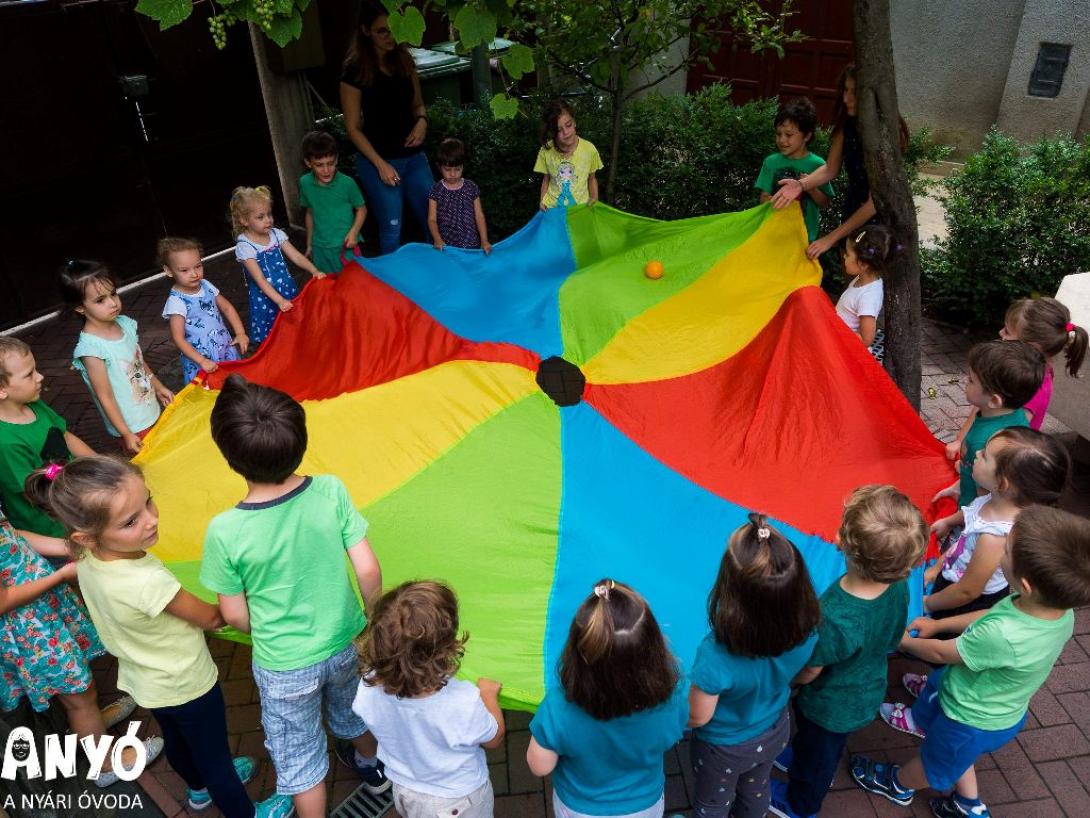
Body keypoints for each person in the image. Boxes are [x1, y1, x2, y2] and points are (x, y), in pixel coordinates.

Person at [25, 458, 291, 814]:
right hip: (186, 681)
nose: (151, 519)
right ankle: (244, 811)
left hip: (146, 679)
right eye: (131, 521)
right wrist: (245, 594)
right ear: (85, 535)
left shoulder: (86, 556)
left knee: (179, 741)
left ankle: (198, 791)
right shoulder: (147, 581)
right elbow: (213, 617)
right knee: (216, 760)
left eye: (147, 501)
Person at [201, 374, 387, 818]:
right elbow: (368, 567)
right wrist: (370, 616)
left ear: (229, 457)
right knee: (353, 708)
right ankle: (374, 767)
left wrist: (264, 628)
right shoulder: (330, 490)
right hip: (346, 639)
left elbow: (234, 614)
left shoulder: (225, 532)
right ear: (300, 441)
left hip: (284, 664)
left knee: (301, 757)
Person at [852, 506, 1090, 818]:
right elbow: (996, 613)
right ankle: (967, 802)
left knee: (935, 761)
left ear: (1027, 584)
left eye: (1006, 551)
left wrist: (901, 639)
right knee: (956, 749)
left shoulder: (1004, 636)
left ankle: (897, 785)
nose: (1000, 553)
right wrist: (938, 626)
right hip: (982, 696)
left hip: (969, 717)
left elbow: (940, 654)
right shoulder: (1055, 611)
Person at [769, 485, 928, 818]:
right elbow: (893, 635)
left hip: (828, 704)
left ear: (843, 543)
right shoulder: (897, 585)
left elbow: (813, 668)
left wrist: (790, 683)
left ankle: (801, 804)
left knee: (820, 751)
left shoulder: (836, 615)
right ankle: (805, 760)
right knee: (820, 746)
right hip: (867, 685)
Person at [688, 514, 821, 818]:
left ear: (731, 594)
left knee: (713, 803)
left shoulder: (715, 655)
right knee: (756, 789)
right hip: (775, 729)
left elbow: (698, 716)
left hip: (723, 748)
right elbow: (803, 673)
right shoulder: (808, 632)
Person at [0, 498, 140, 784]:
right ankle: (106, 763)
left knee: (77, 688)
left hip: (40, 610)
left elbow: (10, 534)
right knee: (78, 690)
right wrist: (62, 574)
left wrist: (70, 548)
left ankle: (89, 725)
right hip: (25, 625)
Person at [526, 579, 688, 818]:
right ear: (652, 647)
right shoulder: (671, 701)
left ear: (577, 654)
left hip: (580, 808)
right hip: (644, 805)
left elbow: (540, 766)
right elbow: (672, 736)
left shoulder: (558, 708)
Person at [352, 581, 505, 818]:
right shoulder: (462, 701)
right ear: (445, 647)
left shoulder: (369, 684)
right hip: (460, 801)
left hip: (406, 790)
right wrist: (488, 695)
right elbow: (493, 738)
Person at [770, 63, 909, 259]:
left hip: (881, 221)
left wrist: (830, 238)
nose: (845, 99)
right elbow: (830, 169)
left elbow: (874, 203)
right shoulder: (846, 127)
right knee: (850, 266)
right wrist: (800, 185)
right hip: (853, 208)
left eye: (854, 92)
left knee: (868, 277)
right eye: (845, 89)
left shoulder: (887, 134)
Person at [340, 1, 432, 255]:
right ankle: (392, 287)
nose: (390, 36)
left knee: (434, 221)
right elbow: (352, 128)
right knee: (392, 228)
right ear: (365, 31)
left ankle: (438, 280)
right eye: (382, 31)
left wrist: (422, 122)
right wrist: (380, 164)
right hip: (378, 162)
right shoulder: (354, 70)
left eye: (393, 29)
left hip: (414, 159)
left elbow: (419, 106)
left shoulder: (404, 61)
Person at [944, 299, 1088, 459]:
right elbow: (983, 405)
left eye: (1007, 331)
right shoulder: (1017, 371)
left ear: (1031, 346)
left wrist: (972, 457)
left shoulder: (1030, 387)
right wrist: (960, 441)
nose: (1000, 333)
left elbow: (1007, 441)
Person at [62, 260, 173, 455]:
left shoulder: (124, 325)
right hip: (132, 426)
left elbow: (138, 361)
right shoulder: (92, 349)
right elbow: (105, 396)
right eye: (100, 300)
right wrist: (126, 433)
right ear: (80, 307)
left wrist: (158, 386)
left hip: (150, 410)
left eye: (113, 293)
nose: (113, 303)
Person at [0, 337, 94, 538]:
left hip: (76, 503)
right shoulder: (5, 443)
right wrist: (86, 491)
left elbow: (66, 438)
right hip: (53, 530)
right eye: (29, 375)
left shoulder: (35, 405)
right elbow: (35, 490)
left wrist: (103, 468)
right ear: (2, 390)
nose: (40, 377)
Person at [933, 341, 1045, 509]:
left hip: (970, 511)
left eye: (971, 380)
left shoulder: (985, 443)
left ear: (994, 400)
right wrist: (957, 486)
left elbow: (985, 502)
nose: (965, 380)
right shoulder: (1012, 414)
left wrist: (953, 520)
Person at [231, 185, 323, 349]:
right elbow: (259, 278)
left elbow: (295, 255)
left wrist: (314, 270)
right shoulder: (245, 246)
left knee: (294, 328)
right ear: (244, 220)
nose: (268, 220)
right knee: (273, 334)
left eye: (269, 214)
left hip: (287, 289)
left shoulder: (276, 234)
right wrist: (279, 300)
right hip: (265, 297)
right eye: (260, 217)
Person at [159, 237, 248, 384]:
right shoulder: (177, 301)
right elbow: (178, 338)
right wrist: (202, 361)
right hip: (201, 358)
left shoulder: (206, 285)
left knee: (233, 385)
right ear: (168, 271)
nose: (194, 274)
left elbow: (227, 307)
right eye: (185, 270)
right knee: (210, 392)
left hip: (223, 347)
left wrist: (240, 333)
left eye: (198, 266)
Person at [754, 97, 833, 242]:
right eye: (778, 134)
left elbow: (825, 202)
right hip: (774, 235)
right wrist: (770, 201)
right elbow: (763, 197)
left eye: (789, 135)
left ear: (807, 136)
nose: (782, 140)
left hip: (805, 238)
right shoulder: (771, 162)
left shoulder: (818, 165)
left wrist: (810, 188)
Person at [299, 130, 367, 274]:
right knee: (328, 287)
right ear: (308, 163)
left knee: (353, 284)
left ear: (336, 159)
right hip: (319, 248)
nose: (326, 170)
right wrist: (309, 243)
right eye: (319, 165)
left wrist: (354, 232)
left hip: (345, 245)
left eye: (330, 163)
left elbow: (362, 209)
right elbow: (310, 212)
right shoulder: (304, 183)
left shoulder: (347, 183)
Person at [833, 225, 901, 362]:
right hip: (840, 345)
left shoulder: (868, 297)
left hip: (847, 356)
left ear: (863, 264)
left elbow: (866, 339)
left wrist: (834, 331)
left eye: (848, 253)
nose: (844, 256)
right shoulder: (862, 280)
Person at [427, 138, 493, 254]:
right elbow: (432, 219)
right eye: (447, 169)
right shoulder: (436, 190)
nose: (453, 174)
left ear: (463, 166)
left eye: (457, 169)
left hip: (471, 244)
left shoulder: (471, 187)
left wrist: (484, 240)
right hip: (446, 245)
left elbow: (479, 216)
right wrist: (437, 239)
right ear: (439, 167)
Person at [535, 99, 603, 210]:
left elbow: (592, 178)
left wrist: (594, 198)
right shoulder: (545, 151)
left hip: (580, 211)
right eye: (559, 130)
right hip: (553, 210)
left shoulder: (589, 149)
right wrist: (542, 200)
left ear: (574, 122)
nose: (566, 133)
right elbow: (546, 179)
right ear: (552, 132)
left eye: (568, 125)